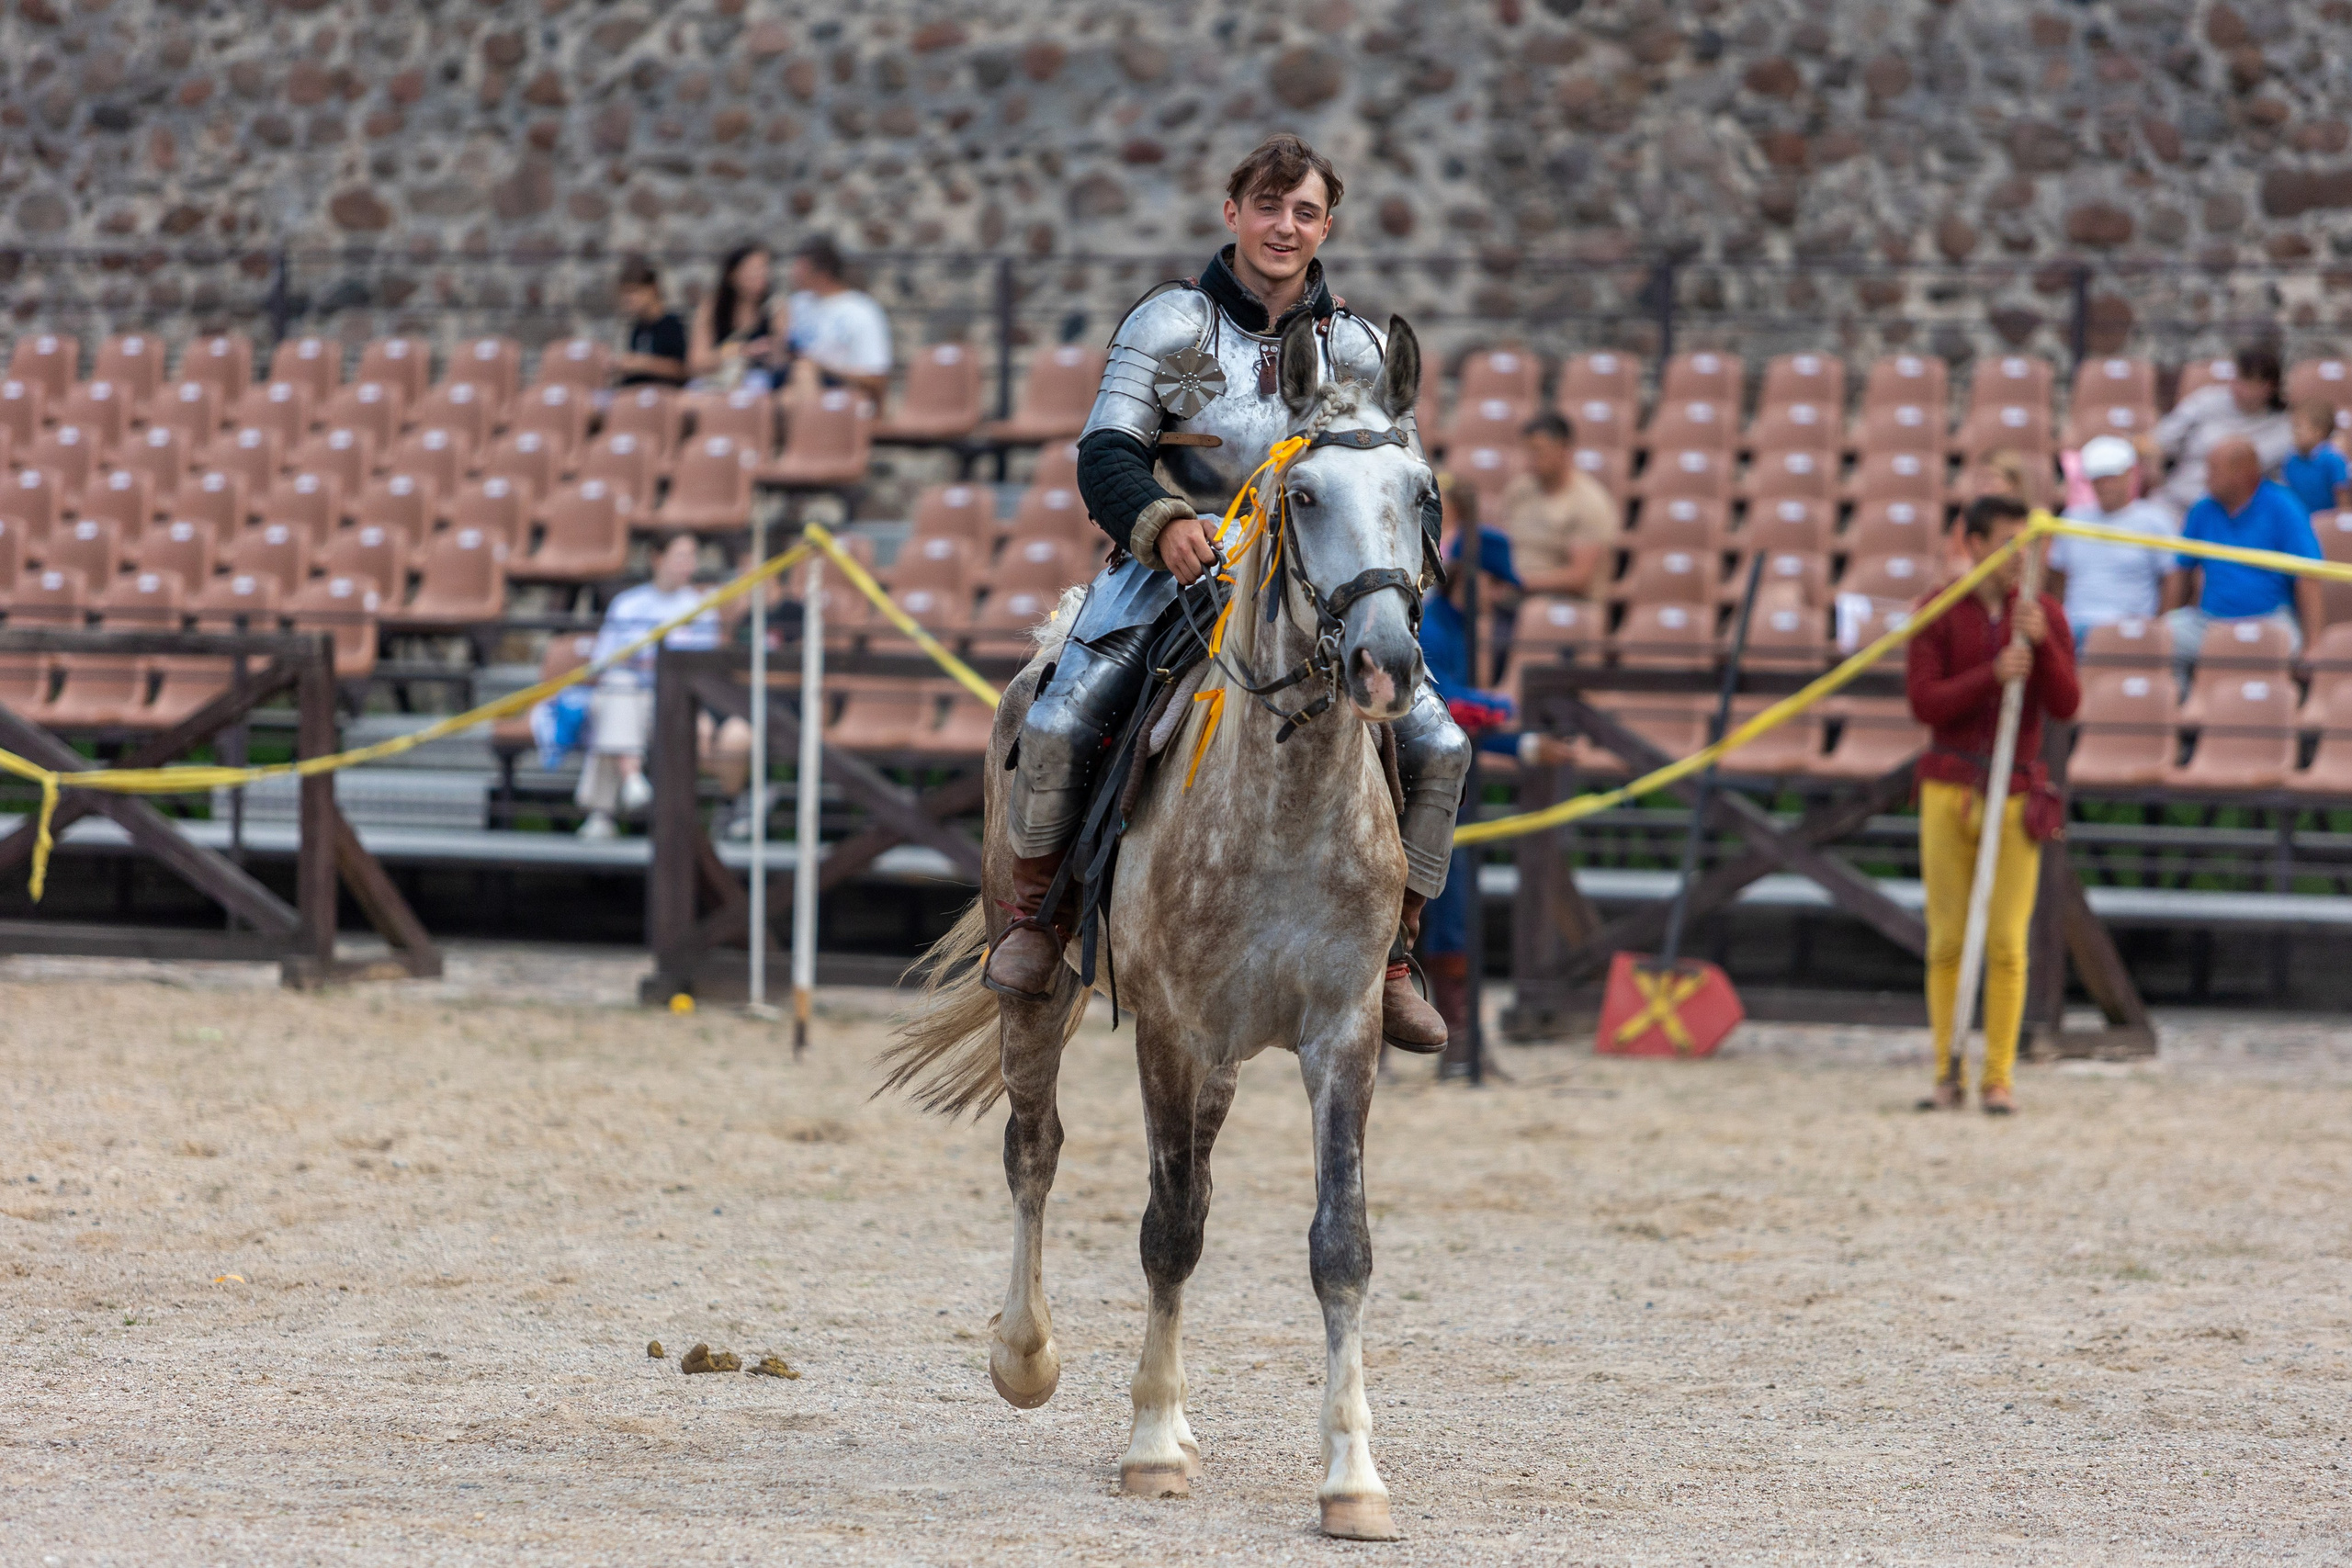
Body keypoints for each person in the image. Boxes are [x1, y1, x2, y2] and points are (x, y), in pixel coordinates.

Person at [982, 132, 1472, 1055]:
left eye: (1305, 211)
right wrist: (1163, 522)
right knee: (1055, 722)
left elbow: (1404, 483)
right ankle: (1035, 924)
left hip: (1315, 593)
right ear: (1232, 213)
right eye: (1268, 207)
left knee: (1439, 745)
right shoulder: (1170, 325)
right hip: (1176, 577)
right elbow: (1106, 455)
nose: (1284, 227)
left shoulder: (1362, 349)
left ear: (1328, 225)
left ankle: (1392, 954)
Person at [1906, 495, 2080, 1115]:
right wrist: (1993, 673)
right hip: (1949, 786)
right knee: (1948, 940)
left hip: (2014, 790)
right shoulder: (1937, 609)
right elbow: (1926, 703)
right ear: (1974, 543)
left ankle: (1999, 1075)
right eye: (2008, 543)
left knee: (2008, 941)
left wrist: (2045, 649)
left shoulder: (2044, 613)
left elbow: (2065, 703)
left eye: (2028, 545)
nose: (2019, 559)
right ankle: (1946, 1067)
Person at [1414, 479, 1575, 1050]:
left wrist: (1524, 745)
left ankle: (1457, 1037)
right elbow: (1440, 703)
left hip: (1441, 785)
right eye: (1495, 584)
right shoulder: (1432, 626)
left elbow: (1465, 722)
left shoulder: (1461, 629)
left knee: (1450, 909)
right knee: (1410, 910)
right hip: (1409, 787)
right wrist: (1505, 709)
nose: (1502, 597)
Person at [572, 536, 753, 840]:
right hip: (633, 697)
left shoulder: (699, 607)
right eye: (681, 556)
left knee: (619, 704)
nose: (689, 565)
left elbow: (703, 667)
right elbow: (602, 664)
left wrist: (651, 664)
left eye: (693, 557)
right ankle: (630, 782)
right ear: (657, 558)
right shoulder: (628, 604)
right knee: (619, 692)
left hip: (677, 699)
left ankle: (605, 811)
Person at [2162, 437, 2323, 677]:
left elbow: (2308, 575)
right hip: (2208, 622)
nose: (2207, 478)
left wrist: (2313, 646)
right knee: (2161, 638)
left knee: (2287, 643)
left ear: (2242, 474)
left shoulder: (2282, 505)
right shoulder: (2203, 509)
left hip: (2269, 622)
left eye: (2214, 470)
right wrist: (2165, 617)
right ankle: (2178, 707)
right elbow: (2180, 572)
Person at [2139, 344, 2293, 525]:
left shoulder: (2285, 429)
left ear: (2269, 386)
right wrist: (2154, 466)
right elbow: (2154, 441)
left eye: (2248, 381)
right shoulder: (2206, 401)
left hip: (2239, 517)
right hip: (2178, 502)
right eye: (2236, 378)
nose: (2237, 387)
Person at [2049, 434, 2177, 647]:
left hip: (2131, 630)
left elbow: (2172, 578)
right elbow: (2057, 579)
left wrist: (2160, 627)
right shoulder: (2071, 520)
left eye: (2111, 476)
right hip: (2077, 627)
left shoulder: (2155, 520)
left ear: (2130, 474)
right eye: (2098, 478)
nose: (2105, 485)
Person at [1496, 411, 1620, 603]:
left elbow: (1580, 578)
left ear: (1563, 450)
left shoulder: (1589, 502)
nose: (1531, 459)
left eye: (1538, 451)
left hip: (1562, 604)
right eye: (1527, 451)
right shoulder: (1519, 490)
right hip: (1511, 597)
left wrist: (1519, 581)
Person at [780, 234, 893, 406]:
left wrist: (822, 368)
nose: (792, 273)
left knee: (803, 374)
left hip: (842, 394)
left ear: (822, 274)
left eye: (800, 268)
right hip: (791, 385)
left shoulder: (862, 311)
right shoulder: (796, 304)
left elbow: (876, 379)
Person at [688, 242, 782, 385]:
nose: (761, 275)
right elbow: (696, 363)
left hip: (756, 379)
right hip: (715, 378)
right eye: (754, 269)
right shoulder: (713, 307)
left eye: (765, 268)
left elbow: (779, 359)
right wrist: (742, 350)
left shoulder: (775, 308)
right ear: (733, 274)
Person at [613, 258, 687, 388]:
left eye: (633, 291)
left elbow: (682, 369)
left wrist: (641, 363)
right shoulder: (638, 328)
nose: (628, 299)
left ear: (652, 289)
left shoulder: (671, 325)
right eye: (624, 294)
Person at [2280, 400, 2351, 516]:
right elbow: (2288, 494)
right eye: (2293, 428)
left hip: (2328, 522)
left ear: (2318, 431)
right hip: (2302, 520)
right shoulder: (2291, 459)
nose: (2294, 433)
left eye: (2298, 427)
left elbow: (2342, 497)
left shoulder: (2333, 460)